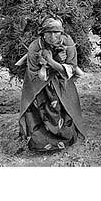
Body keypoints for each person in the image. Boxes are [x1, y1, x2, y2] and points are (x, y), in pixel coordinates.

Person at [19, 17, 85, 152]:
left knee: (63, 107)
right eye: (48, 33)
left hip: (62, 80)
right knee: (40, 109)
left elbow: (72, 68)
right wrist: (50, 63)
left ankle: (65, 139)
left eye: (56, 32)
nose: (52, 36)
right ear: (42, 34)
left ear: (62, 33)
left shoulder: (68, 43)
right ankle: (40, 142)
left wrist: (51, 61)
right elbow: (34, 73)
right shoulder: (35, 47)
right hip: (40, 84)